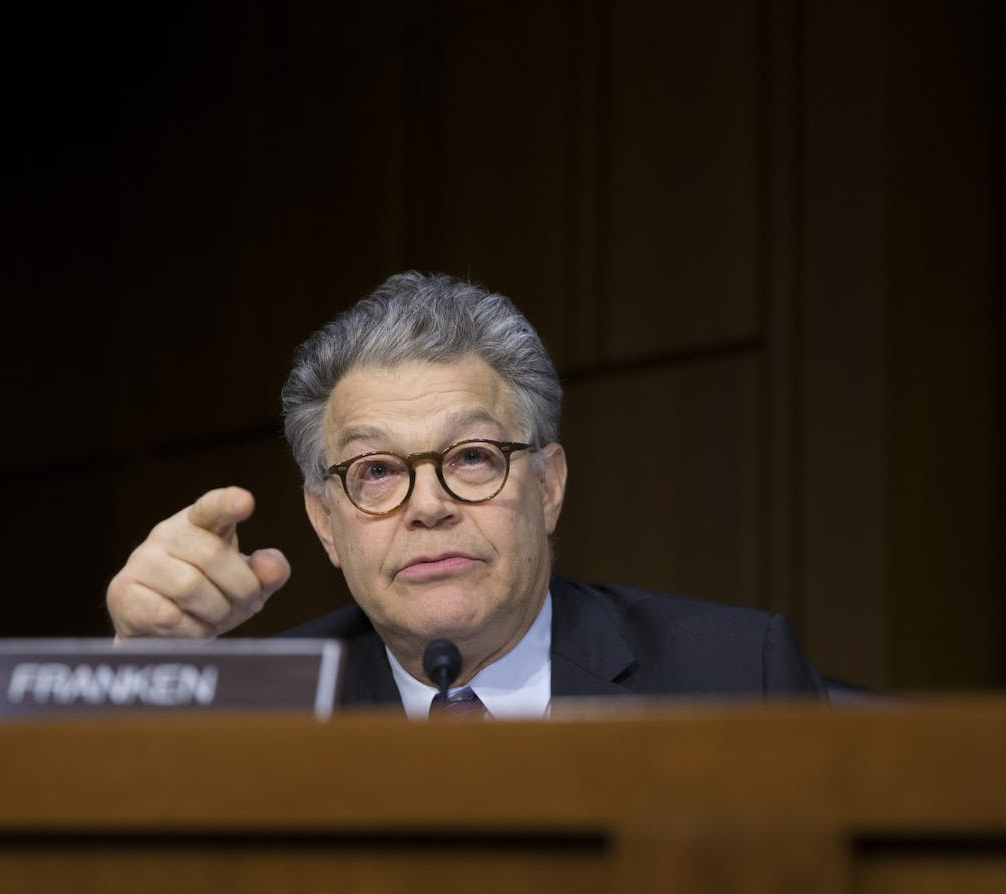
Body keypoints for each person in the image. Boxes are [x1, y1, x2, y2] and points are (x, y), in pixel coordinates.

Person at [107, 272, 825, 718]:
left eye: (473, 457)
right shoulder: (266, 710)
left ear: (548, 486)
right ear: (325, 523)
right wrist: (142, 676)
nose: (428, 506)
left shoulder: (736, 677)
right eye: (377, 471)